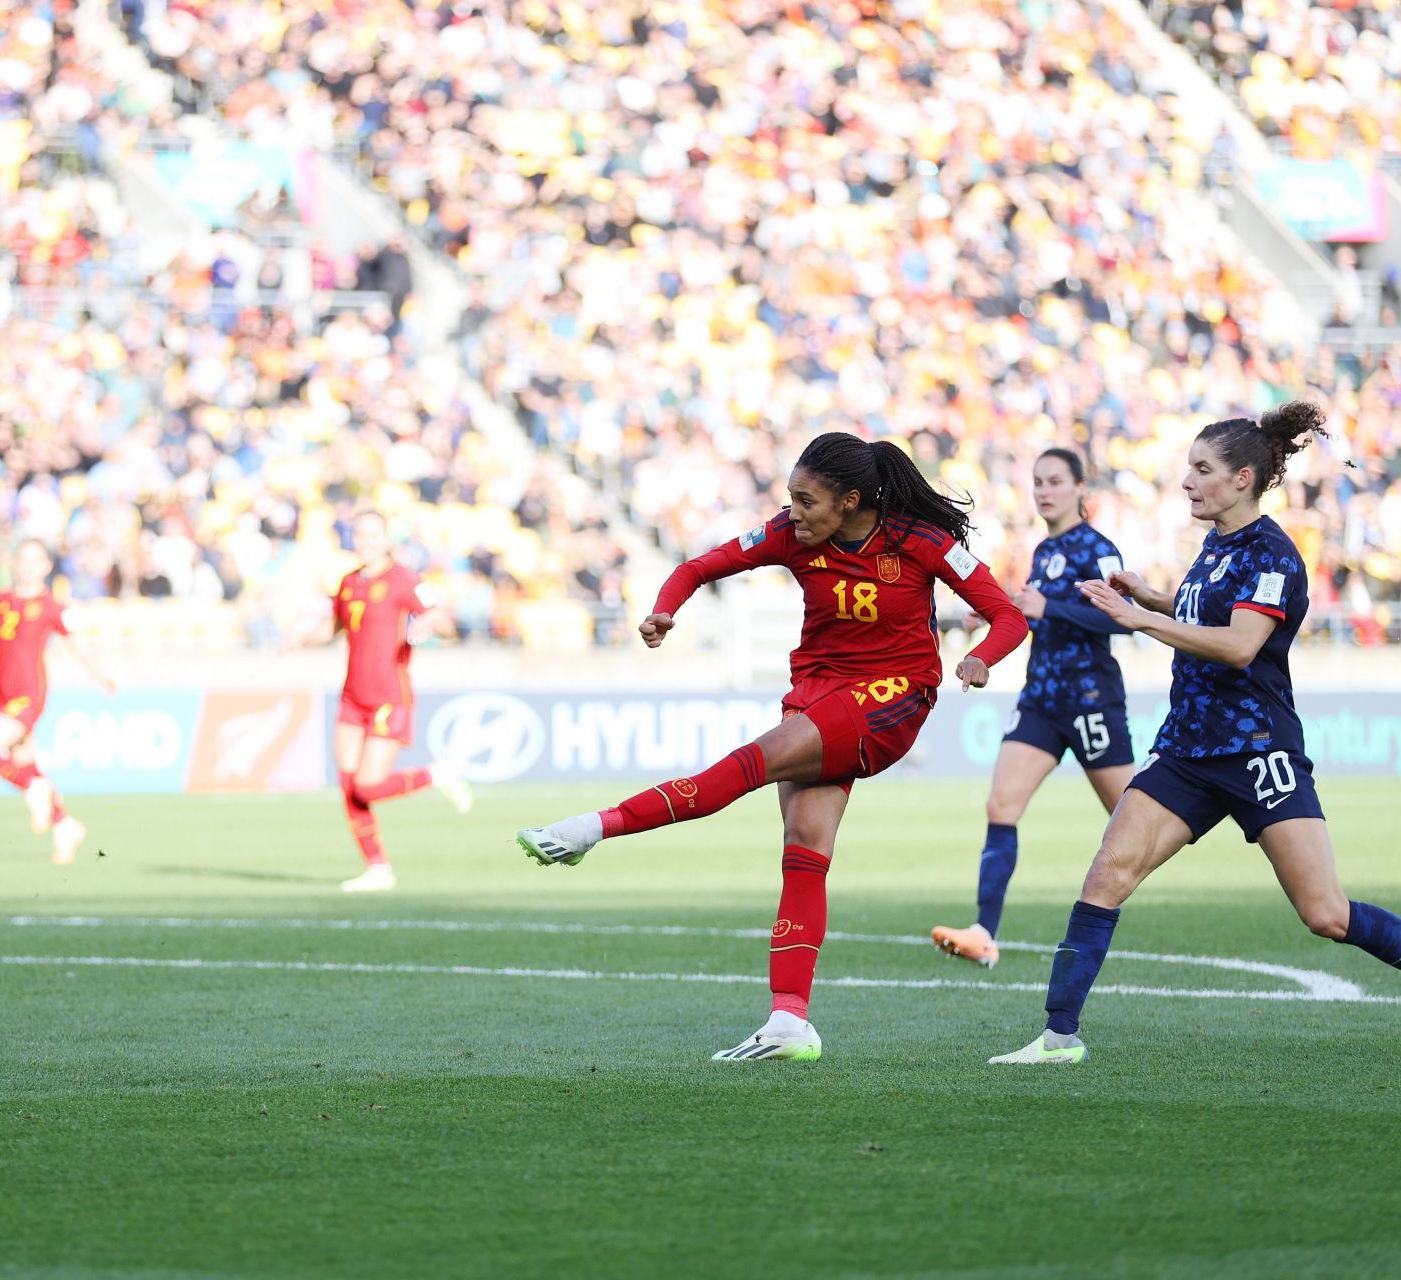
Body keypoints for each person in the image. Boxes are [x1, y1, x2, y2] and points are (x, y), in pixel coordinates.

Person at [517, 433, 1030, 1061]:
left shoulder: (921, 543)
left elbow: (1008, 615)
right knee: (804, 851)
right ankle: (790, 1022)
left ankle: (593, 827)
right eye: (790, 497)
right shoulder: (788, 535)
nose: (793, 512)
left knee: (744, 768)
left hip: (892, 697)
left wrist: (980, 658)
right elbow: (696, 567)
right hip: (816, 695)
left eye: (805, 500)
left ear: (848, 502)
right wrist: (662, 610)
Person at [991, 405, 1401, 1064]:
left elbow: (1240, 644)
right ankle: (1058, 1037)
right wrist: (1152, 597)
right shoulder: (1215, 544)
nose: (1187, 481)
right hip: (1186, 751)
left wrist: (1137, 620)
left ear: (1242, 479)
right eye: (1188, 467)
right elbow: (1202, 610)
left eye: (1201, 469)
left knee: (1326, 913)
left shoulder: (1273, 554)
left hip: (1258, 751)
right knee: (1105, 875)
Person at [932, 449, 1137, 968]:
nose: (1044, 491)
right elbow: (1031, 616)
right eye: (1038, 482)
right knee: (1001, 806)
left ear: (1078, 489)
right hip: (1042, 702)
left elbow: (1126, 618)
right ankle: (984, 932)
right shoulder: (1044, 551)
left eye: (1055, 482)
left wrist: (1052, 608)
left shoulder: (1098, 548)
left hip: (1091, 701)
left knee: (1134, 819)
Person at [327, 510, 470, 893]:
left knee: (367, 786)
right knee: (347, 785)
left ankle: (434, 775)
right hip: (351, 697)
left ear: (387, 539)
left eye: (374, 534)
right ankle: (377, 867)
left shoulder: (404, 579)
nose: (366, 540)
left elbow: (444, 619)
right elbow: (336, 627)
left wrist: (429, 622)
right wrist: (300, 635)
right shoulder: (347, 583)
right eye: (360, 533)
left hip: (390, 696)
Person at [0, 539, 115, 865]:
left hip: (28, 694)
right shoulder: (1, 601)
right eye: (22, 559)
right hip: (1, 693)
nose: (27, 566)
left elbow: (77, 644)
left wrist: (101, 676)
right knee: (27, 765)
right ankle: (65, 824)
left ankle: (35, 789)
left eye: (34, 560)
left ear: (46, 566)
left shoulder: (51, 606)